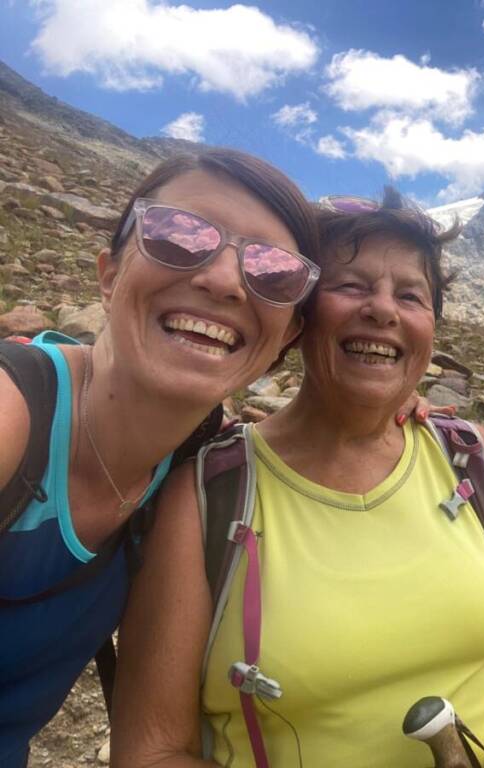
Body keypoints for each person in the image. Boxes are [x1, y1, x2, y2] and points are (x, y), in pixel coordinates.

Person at [111, 190, 484, 767]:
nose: (383, 310)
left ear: (430, 327)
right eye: (351, 286)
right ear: (298, 315)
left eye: (411, 295)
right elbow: (151, 752)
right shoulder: (210, 493)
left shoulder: (473, 458)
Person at [0, 148, 324, 767]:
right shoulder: (14, 416)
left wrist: (395, 417)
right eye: (179, 237)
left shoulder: (199, 459)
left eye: (274, 271)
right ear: (108, 273)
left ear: (286, 338)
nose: (225, 280)